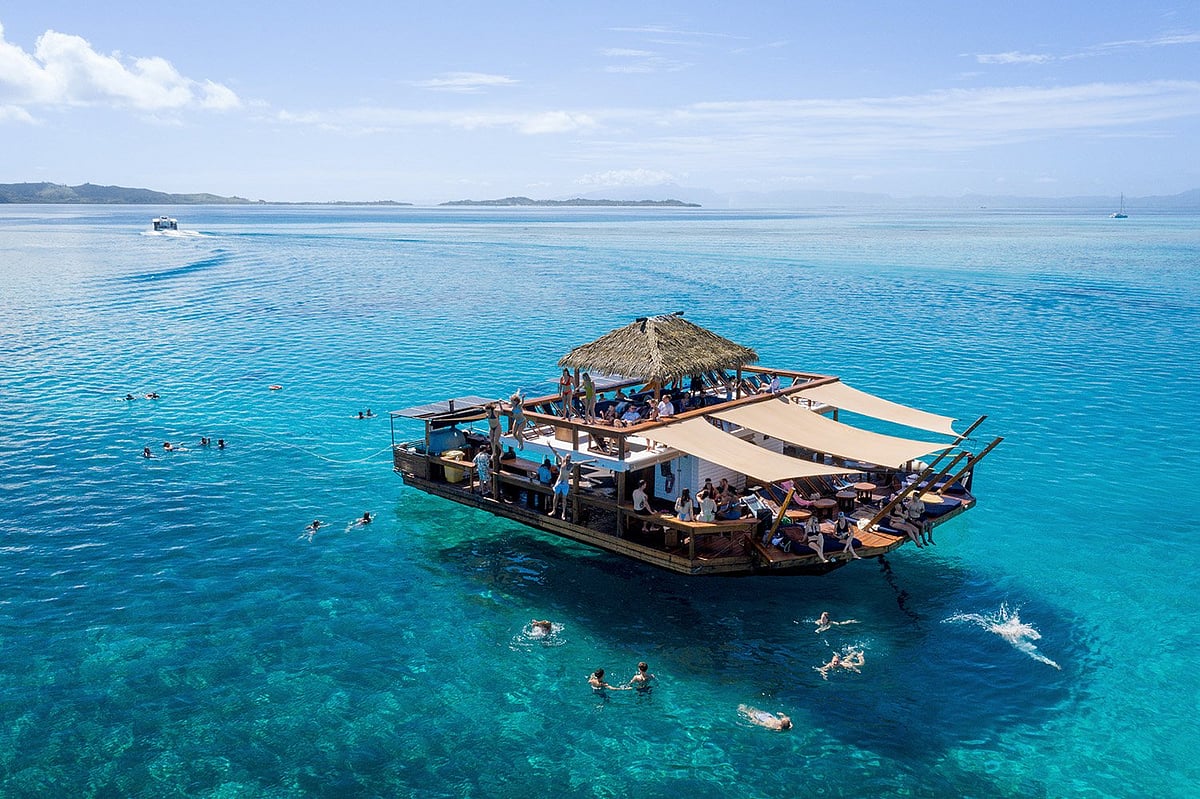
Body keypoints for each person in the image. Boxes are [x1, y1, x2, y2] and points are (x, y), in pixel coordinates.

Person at [546, 446, 571, 519]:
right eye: (567, 457)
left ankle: (563, 513)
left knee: (564, 499)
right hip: (559, 482)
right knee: (555, 496)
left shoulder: (571, 465)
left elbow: (580, 462)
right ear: (565, 457)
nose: (568, 459)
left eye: (569, 458)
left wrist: (592, 460)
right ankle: (553, 510)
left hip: (565, 483)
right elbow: (556, 453)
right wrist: (550, 446)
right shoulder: (562, 460)